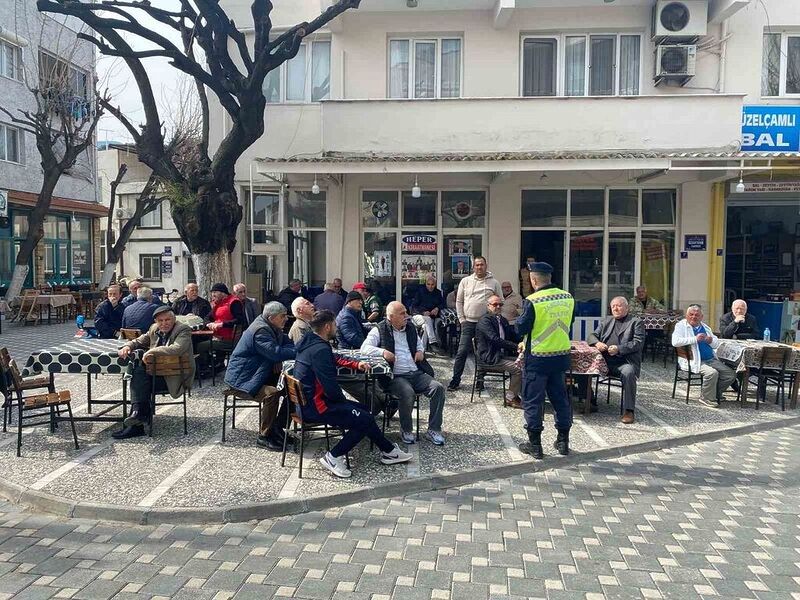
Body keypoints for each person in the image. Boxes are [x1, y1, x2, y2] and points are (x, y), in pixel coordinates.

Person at [294, 310, 412, 478]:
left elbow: (333, 357)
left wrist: (356, 364)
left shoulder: (311, 342)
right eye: (334, 324)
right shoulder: (319, 350)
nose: (336, 327)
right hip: (315, 407)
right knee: (364, 419)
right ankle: (333, 457)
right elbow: (330, 386)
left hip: (308, 403)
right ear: (327, 327)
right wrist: (344, 405)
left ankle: (389, 451)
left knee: (365, 411)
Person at [361, 302, 447, 446]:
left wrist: (420, 352)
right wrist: (383, 352)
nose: (406, 316)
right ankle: (406, 429)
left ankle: (434, 429)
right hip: (396, 376)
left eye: (406, 312)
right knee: (407, 392)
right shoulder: (380, 329)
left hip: (416, 373)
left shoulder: (410, 328)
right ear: (390, 317)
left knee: (438, 388)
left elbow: (419, 345)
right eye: (402, 314)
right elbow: (364, 348)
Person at [515, 262, 574, 459]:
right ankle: (563, 442)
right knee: (561, 400)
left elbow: (520, 329)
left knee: (533, 401)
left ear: (533, 279)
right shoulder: (568, 297)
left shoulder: (532, 300)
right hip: (561, 358)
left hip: (538, 359)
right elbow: (569, 322)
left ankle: (535, 445)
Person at [115, 306, 195, 439]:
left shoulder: (183, 329)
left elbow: (177, 349)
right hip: (156, 374)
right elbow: (140, 340)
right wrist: (128, 346)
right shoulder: (154, 328)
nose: (164, 323)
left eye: (167, 320)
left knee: (139, 377)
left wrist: (151, 351)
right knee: (139, 373)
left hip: (174, 377)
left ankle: (137, 418)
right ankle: (138, 416)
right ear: (156, 321)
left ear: (174, 319)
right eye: (160, 320)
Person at [225, 302, 296, 451]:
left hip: (258, 373)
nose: (286, 319)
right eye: (283, 316)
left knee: (292, 389)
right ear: (271, 317)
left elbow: (285, 344)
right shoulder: (260, 330)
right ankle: (264, 436)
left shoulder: (272, 326)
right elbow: (276, 352)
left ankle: (277, 428)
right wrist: (290, 352)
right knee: (272, 394)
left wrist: (283, 353)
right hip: (244, 379)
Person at [447, 256, 503, 392]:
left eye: (482, 264)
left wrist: (494, 318)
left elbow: (500, 301)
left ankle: (480, 382)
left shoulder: (494, 283)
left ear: (486, 265)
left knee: (482, 353)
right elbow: (459, 301)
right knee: (462, 352)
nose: (479, 267)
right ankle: (455, 381)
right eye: (477, 265)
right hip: (468, 322)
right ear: (473, 267)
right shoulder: (465, 281)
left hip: (485, 323)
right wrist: (461, 319)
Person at [587, 297, 645, 424]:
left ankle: (629, 411)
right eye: (613, 306)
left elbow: (638, 343)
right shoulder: (607, 321)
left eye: (619, 306)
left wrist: (619, 349)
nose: (615, 308)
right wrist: (597, 343)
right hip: (604, 361)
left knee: (629, 373)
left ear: (627, 307)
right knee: (584, 365)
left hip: (624, 362)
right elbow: (592, 336)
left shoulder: (636, 322)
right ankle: (590, 401)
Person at [672, 304, 737, 407]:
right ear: (686, 315)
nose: (693, 317)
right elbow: (675, 342)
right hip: (694, 361)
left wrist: (710, 341)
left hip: (710, 359)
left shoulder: (705, 327)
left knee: (730, 374)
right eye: (691, 314)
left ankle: (713, 394)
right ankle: (707, 398)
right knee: (712, 373)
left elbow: (716, 343)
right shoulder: (681, 326)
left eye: (696, 315)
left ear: (701, 317)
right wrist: (695, 339)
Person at [476, 295, 522, 408]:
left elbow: (512, 336)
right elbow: (495, 340)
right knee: (518, 368)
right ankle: (510, 398)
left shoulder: (502, 320)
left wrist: (524, 341)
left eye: (500, 304)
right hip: (490, 358)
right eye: (494, 304)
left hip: (501, 356)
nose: (498, 307)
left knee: (526, 362)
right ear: (488, 306)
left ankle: (519, 395)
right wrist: (516, 347)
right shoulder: (484, 321)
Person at [196, 283, 246, 370]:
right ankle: (214, 363)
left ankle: (204, 368)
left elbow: (240, 320)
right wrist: (208, 324)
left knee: (200, 346)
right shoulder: (218, 303)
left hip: (228, 339)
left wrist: (221, 324)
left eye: (215, 292)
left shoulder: (234, 302)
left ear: (223, 293)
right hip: (216, 336)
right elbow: (207, 317)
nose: (213, 294)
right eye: (212, 292)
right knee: (199, 339)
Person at [411, 275, 445, 354]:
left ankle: (422, 349)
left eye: (432, 284)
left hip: (430, 318)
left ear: (435, 284)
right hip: (417, 316)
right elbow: (414, 307)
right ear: (425, 284)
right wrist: (423, 312)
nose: (430, 286)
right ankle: (433, 342)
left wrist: (437, 308)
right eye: (428, 284)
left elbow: (443, 304)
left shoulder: (438, 293)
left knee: (426, 326)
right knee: (427, 319)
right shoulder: (420, 292)